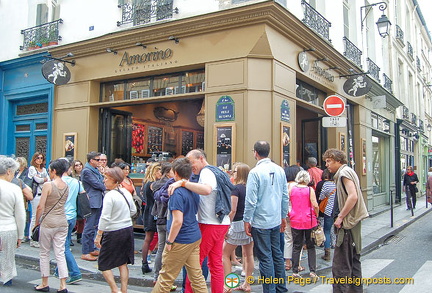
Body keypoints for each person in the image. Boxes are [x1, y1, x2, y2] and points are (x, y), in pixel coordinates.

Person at [168, 149, 233, 293]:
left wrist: (183, 183)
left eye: (192, 162)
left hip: (209, 223)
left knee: (195, 264)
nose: (191, 167)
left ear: (201, 159)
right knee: (215, 263)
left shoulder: (206, 172)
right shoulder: (217, 171)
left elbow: (207, 190)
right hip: (221, 222)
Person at [152, 158, 208, 293]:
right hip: (193, 235)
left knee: (165, 277)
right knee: (196, 276)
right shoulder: (192, 188)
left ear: (176, 173)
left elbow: (177, 221)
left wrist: (170, 241)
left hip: (180, 239)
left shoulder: (177, 193)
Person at [243, 141, 288, 293]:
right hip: (275, 219)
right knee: (277, 254)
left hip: (261, 221)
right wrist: (283, 216)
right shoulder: (280, 170)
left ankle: (270, 290)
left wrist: (246, 219)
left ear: (255, 152)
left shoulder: (255, 172)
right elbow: (284, 196)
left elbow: (251, 200)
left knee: (265, 257)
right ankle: (281, 288)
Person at [323, 149, 369, 293]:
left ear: (338, 160)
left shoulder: (343, 173)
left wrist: (341, 217)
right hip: (353, 224)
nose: (326, 165)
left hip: (348, 225)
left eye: (329, 161)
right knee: (353, 261)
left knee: (341, 265)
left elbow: (353, 196)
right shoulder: (348, 171)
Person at [94, 167, 136, 293]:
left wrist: (99, 235)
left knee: (103, 263)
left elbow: (105, 217)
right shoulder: (125, 192)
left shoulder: (109, 196)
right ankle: (124, 290)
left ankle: (114, 289)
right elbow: (133, 210)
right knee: (122, 263)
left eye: (107, 178)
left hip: (113, 231)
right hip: (127, 229)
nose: (104, 181)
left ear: (115, 180)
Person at [34, 159, 69, 293]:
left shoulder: (48, 185)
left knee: (44, 252)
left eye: (50, 170)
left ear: (54, 171)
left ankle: (44, 282)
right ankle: (63, 285)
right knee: (60, 253)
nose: (49, 172)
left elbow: (40, 206)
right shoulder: (66, 185)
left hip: (48, 222)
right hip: (62, 221)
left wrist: (37, 222)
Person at [222, 162, 254, 292]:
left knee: (225, 254)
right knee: (248, 254)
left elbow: (233, 210)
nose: (232, 173)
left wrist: (226, 225)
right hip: (250, 223)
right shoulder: (251, 188)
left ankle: (229, 284)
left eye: (234, 171)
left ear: (239, 174)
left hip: (236, 223)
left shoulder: (236, 189)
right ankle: (247, 283)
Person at [55, 158, 82, 285]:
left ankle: (75, 272)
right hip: (72, 215)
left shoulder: (56, 182)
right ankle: (59, 269)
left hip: (60, 215)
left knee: (62, 246)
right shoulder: (76, 182)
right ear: (69, 169)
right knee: (63, 243)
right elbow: (83, 195)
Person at [0, 156, 26, 286]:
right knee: (8, 257)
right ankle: (6, 278)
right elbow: (20, 215)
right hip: (8, 227)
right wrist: (20, 235)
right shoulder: (14, 188)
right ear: (8, 171)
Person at [288, 170, 319, 279]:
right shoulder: (310, 190)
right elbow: (315, 204)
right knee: (310, 246)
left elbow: (288, 202)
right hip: (308, 220)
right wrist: (317, 214)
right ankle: (312, 271)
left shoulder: (292, 189)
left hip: (295, 219)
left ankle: (295, 271)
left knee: (297, 246)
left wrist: (289, 213)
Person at [151, 162, 176, 285]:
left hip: (159, 218)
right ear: (168, 172)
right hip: (167, 218)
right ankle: (165, 278)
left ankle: (157, 277)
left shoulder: (156, 185)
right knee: (168, 250)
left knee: (161, 248)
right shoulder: (171, 185)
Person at [81, 151, 106, 261]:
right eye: (97, 160)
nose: (99, 162)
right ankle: (85, 251)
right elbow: (97, 184)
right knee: (89, 226)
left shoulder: (95, 170)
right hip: (92, 201)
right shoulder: (87, 171)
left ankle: (91, 248)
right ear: (91, 160)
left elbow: (101, 181)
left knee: (94, 225)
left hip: (97, 200)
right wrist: (104, 185)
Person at [141, 162, 162, 273]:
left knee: (148, 238)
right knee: (150, 238)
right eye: (159, 171)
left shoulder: (146, 183)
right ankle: (145, 262)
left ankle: (144, 262)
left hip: (148, 211)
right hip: (153, 212)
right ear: (154, 171)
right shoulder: (152, 184)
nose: (161, 174)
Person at [283, 165, 301, 272]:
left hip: (286, 214)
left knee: (288, 238)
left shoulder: (283, 185)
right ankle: (296, 263)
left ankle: (287, 262)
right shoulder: (298, 186)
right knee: (298, 239)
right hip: (297, 214)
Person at [316, 169, 336, 261]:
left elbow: (321, 197)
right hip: (338, 210)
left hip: (328, 210)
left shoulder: (326, 184)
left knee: (327, 231)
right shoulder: (338, 182)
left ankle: (327, 253)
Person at [14, 157, 33, 243]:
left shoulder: (27, 172)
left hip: (23, 196)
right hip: (16, 195)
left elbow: (28, 184)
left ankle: (25, 234)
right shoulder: (16, 172)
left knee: (24, 215)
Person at [70, 159, 85, 244]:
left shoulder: (85, 175)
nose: (79, 166)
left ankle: (80, 236)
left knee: (82, 218)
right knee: (74, 217)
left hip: (82, 197)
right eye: (76, 165)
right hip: (74, 198)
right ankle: (70, 237)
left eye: (80, 165)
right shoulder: (72, 176)